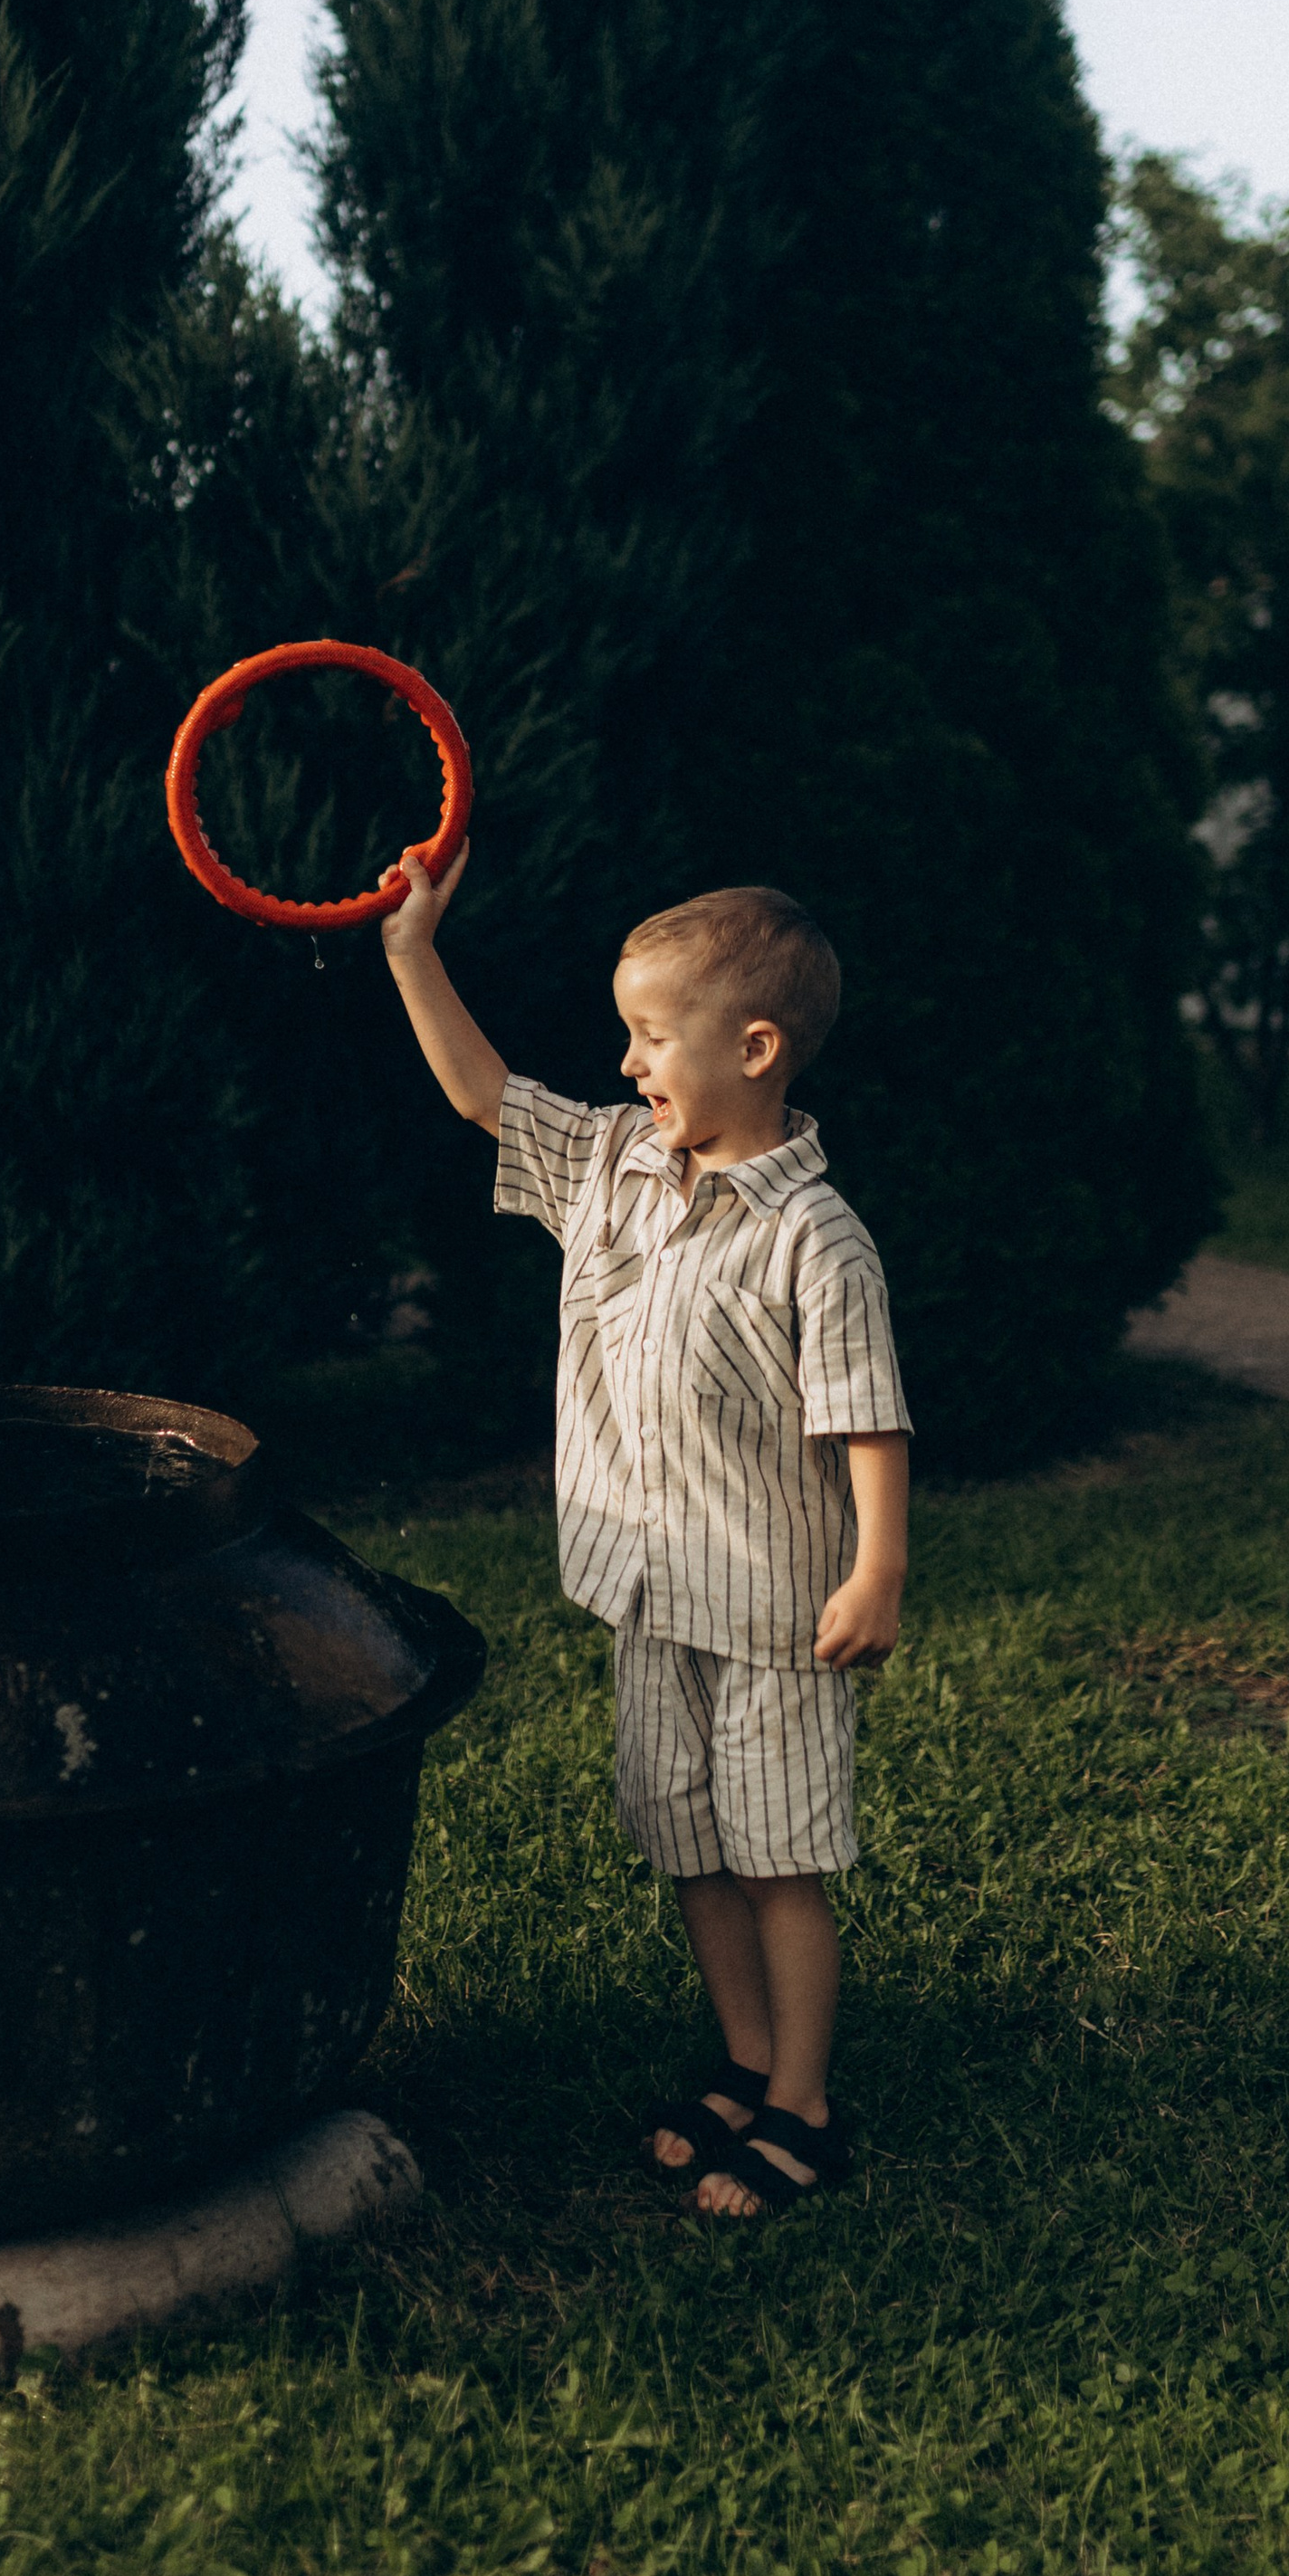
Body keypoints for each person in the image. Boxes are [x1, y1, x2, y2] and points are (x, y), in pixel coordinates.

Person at [379, 851, 911, 2216]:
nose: (626, 1064)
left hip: (773, 1613)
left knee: (778, 1855)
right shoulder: (613, 1165)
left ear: (755, 1047)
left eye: (650, 1036)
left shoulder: (815, 1237)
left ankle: (802, 2103)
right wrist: (410, 954)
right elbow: (483, 1094)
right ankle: (743, 2059)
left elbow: (868, 1418)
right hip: (648, 1593)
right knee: (688, 1840)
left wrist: (876, 1568)